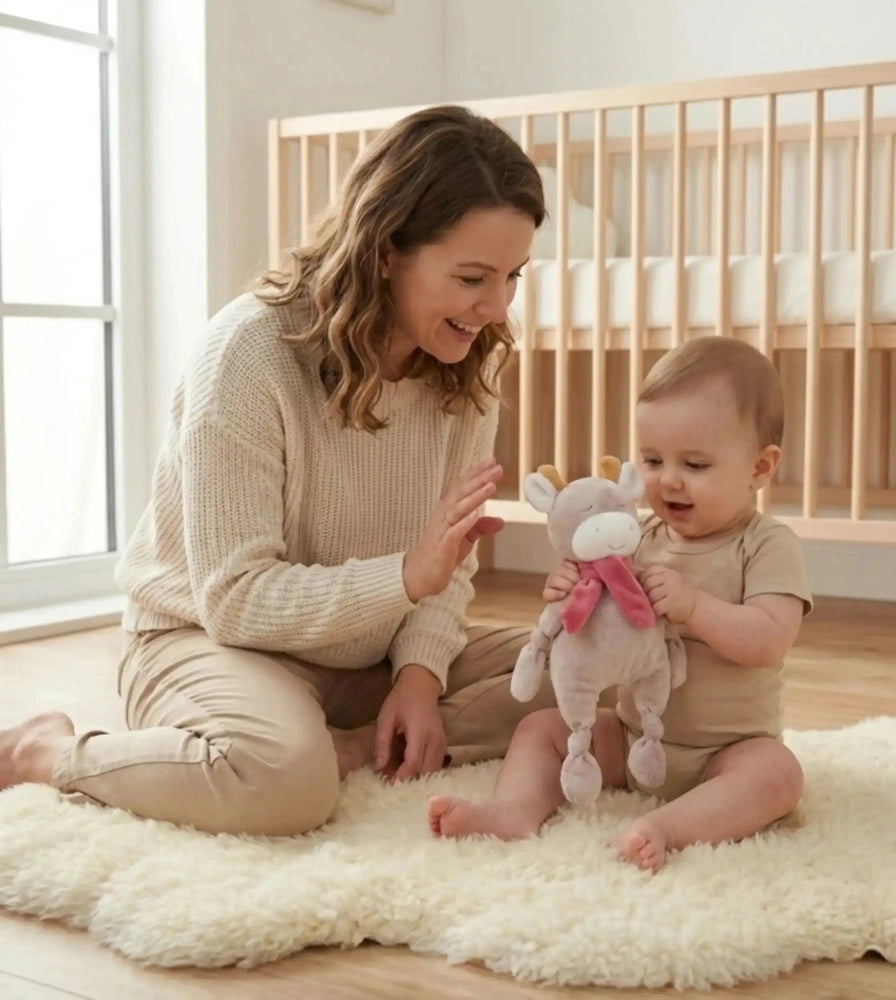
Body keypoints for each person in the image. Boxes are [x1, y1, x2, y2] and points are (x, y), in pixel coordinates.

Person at [0, 105, 556, 836]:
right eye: (473, 277)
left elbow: (445, 565)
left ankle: (349, 746)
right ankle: (49, 753)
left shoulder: (468, 364)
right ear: (387, 249)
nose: (496, 308)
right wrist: (404, 579)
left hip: (368, 654)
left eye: (512, 276)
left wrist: (420, 678)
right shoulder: (249, 353)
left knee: (596, 675)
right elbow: (231, 597)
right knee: (283, 783)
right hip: (206, 641)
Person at [428, 336, 813, 872]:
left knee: (778, 775)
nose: (668, 479)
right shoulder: (637, 535)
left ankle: (668, 828)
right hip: (633, 737)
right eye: (653, 459)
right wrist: (570, 593)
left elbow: (770, 639)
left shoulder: (765, 543)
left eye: (695, 464)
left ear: (761, 467)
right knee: (540, 728)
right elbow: (603, 614)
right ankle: (515, 809)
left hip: (725, 751)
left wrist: (695, 606)